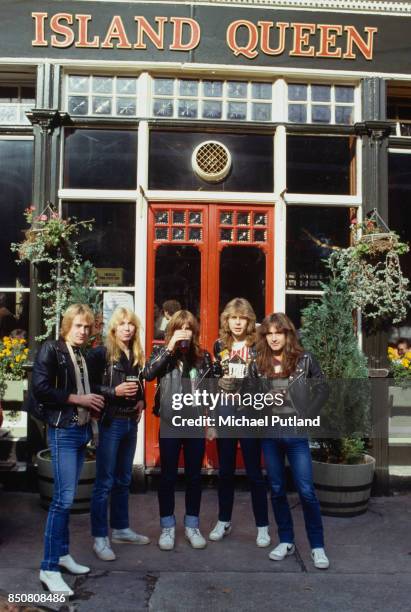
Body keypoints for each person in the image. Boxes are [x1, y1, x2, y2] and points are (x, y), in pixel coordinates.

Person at [32, 304, 105, 596]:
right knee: (62, 502)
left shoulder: (81, 356)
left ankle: (62, 555)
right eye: (78, 326)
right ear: (66, 327)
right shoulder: (52, 349)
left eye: (87, 327)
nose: (83, 331)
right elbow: (40, 388)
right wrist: (79, 399)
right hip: (62, 431)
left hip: (79, 430)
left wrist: (94, 406)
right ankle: (48, 567)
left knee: (67, 498)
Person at [254, 312, 330, 569]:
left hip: (296, 431)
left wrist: (307, 413)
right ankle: (286, 540)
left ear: (288, 334)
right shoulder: (258, 362)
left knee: (306, 490)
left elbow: (322, 387)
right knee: (276, 489)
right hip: (270, 432)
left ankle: (317, 546)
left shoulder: (304, 358)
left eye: (279, 332)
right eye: (270, 333)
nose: (274, 338)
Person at [144, 310, 213, 551]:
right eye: (179, 328)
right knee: (168, 476)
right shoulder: (162, 355)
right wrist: (170, 346)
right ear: (171, 331)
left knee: (194, 476)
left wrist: (212, 422)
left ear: (194, 332)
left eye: (188, 329)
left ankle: (192, 525)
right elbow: (148, 373)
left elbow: (211, 392)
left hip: (194, 422)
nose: (185, 333)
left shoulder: (203, 357)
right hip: (170, 422)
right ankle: (167, 527)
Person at [87, 307, 150, 562]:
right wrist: (114, 392)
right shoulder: (100, 353)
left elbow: (139, 383)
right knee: (104, 482)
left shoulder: (135, 354)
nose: (127, 327)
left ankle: (121, 529)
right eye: (122, 323)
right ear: (113, 328)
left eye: (131, 324)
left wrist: (142, 401)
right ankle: (100, 538)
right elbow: (87, 386)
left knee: (124, 479)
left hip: (129, 423)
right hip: (110, 423)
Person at [209, 298, 270, 547]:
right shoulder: (219, 345)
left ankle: (262, 527)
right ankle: (224, 520)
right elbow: (214, 384)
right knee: (225, 471)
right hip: (225, 409)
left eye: (242, 318)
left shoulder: (258, 346)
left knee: (254, 472)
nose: (237, 322)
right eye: (233, 318)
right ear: (226, 320)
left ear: (249, 320)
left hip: (249, 412)